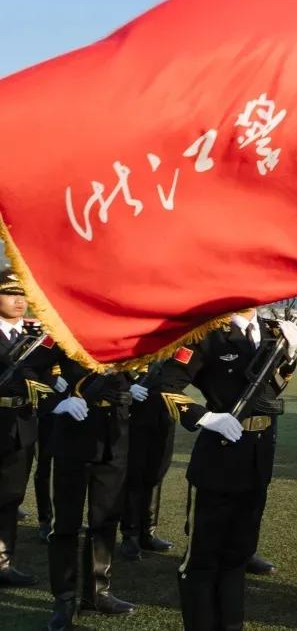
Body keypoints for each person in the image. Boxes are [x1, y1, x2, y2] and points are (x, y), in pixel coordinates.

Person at [149, 308, 297, 630]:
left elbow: (272, 389)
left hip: (259, 453)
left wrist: (289, 355)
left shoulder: (272, 331)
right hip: (219, 456)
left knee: (238, 555)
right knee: (203, 560)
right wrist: (205, 417)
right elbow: (167, 385)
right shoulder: (206, 333)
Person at [43, 365, 140, 629]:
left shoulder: (124, 341)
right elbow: (30, 372)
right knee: (66, 524)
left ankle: (98, 593)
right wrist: (57, 403)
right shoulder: (63, 334)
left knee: (106, 519)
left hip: (113, 438)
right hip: (73, 438)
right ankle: (64, 599)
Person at [0, 268, 64, 588]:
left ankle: (3, 562)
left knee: (10, 497)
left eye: (23, 294)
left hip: (21, 424)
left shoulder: (34, 337)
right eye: (11, 293)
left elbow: (47, 373)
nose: (19, 300)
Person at [118, 361, 176, 562]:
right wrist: (126, 387)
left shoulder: (175, 341)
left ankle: (148, 532)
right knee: (135, 474)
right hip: (136, 413)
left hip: (165, 412)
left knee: (156, 472)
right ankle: (130, 534)